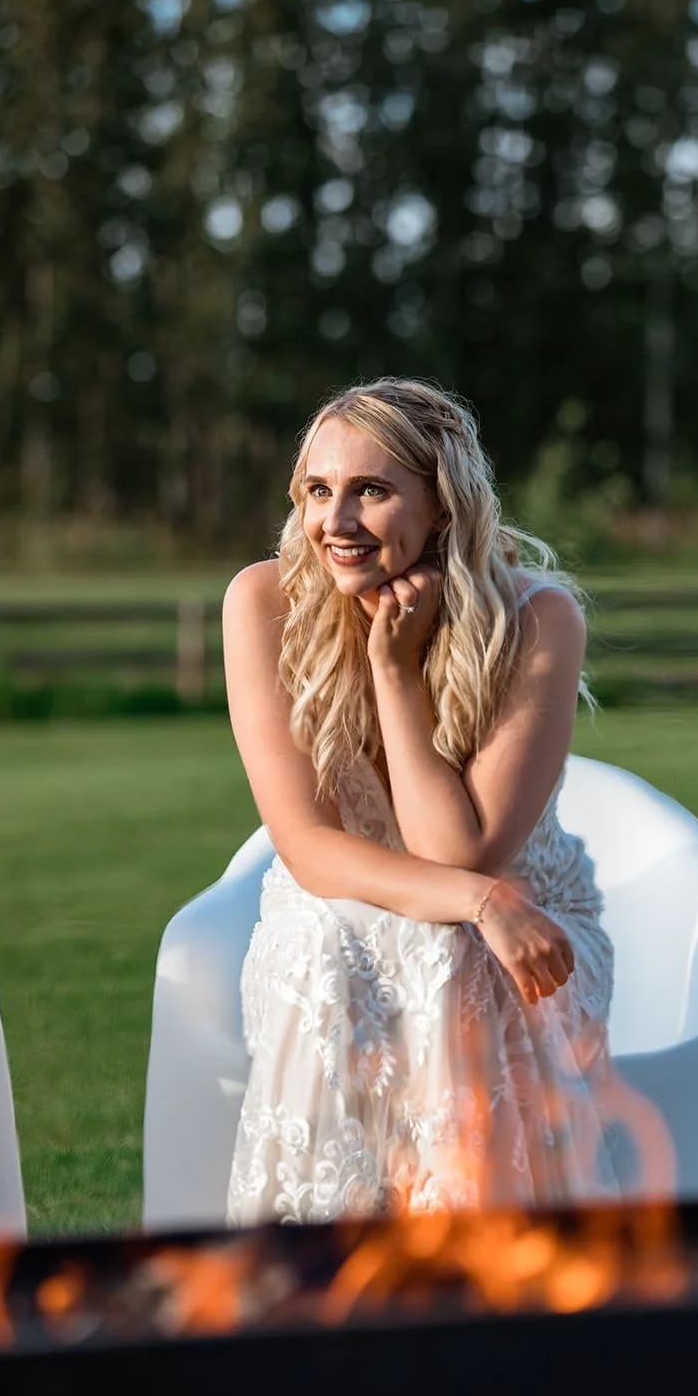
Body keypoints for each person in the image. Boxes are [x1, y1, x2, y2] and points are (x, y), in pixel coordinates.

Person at [224, 377, 625, 1225]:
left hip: (526, 935)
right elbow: (305, 847)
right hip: (380, 910)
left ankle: (464, 1260)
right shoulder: (262, 603)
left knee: (450, 952)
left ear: (441, 505)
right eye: (317, 491)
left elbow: (457, 851)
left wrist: (393, 672)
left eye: (370, 491)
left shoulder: (538, 620)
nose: (334, 523)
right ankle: (325, 1258)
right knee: (332, 934)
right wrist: (481, 901)